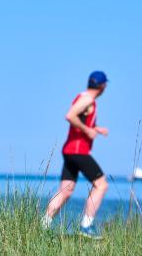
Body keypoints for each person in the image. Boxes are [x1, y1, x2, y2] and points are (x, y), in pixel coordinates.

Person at [42, 71, 110, 239]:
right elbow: (70, 115)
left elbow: (79, 120)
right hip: (79, 151)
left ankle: (42, 226)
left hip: (70, 150)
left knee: (66, 191)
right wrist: (88, 130)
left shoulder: (82, 96)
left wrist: (95, 128)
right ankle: (86, 226)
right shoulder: (87, 99)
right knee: (101, 185)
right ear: (102, 86)